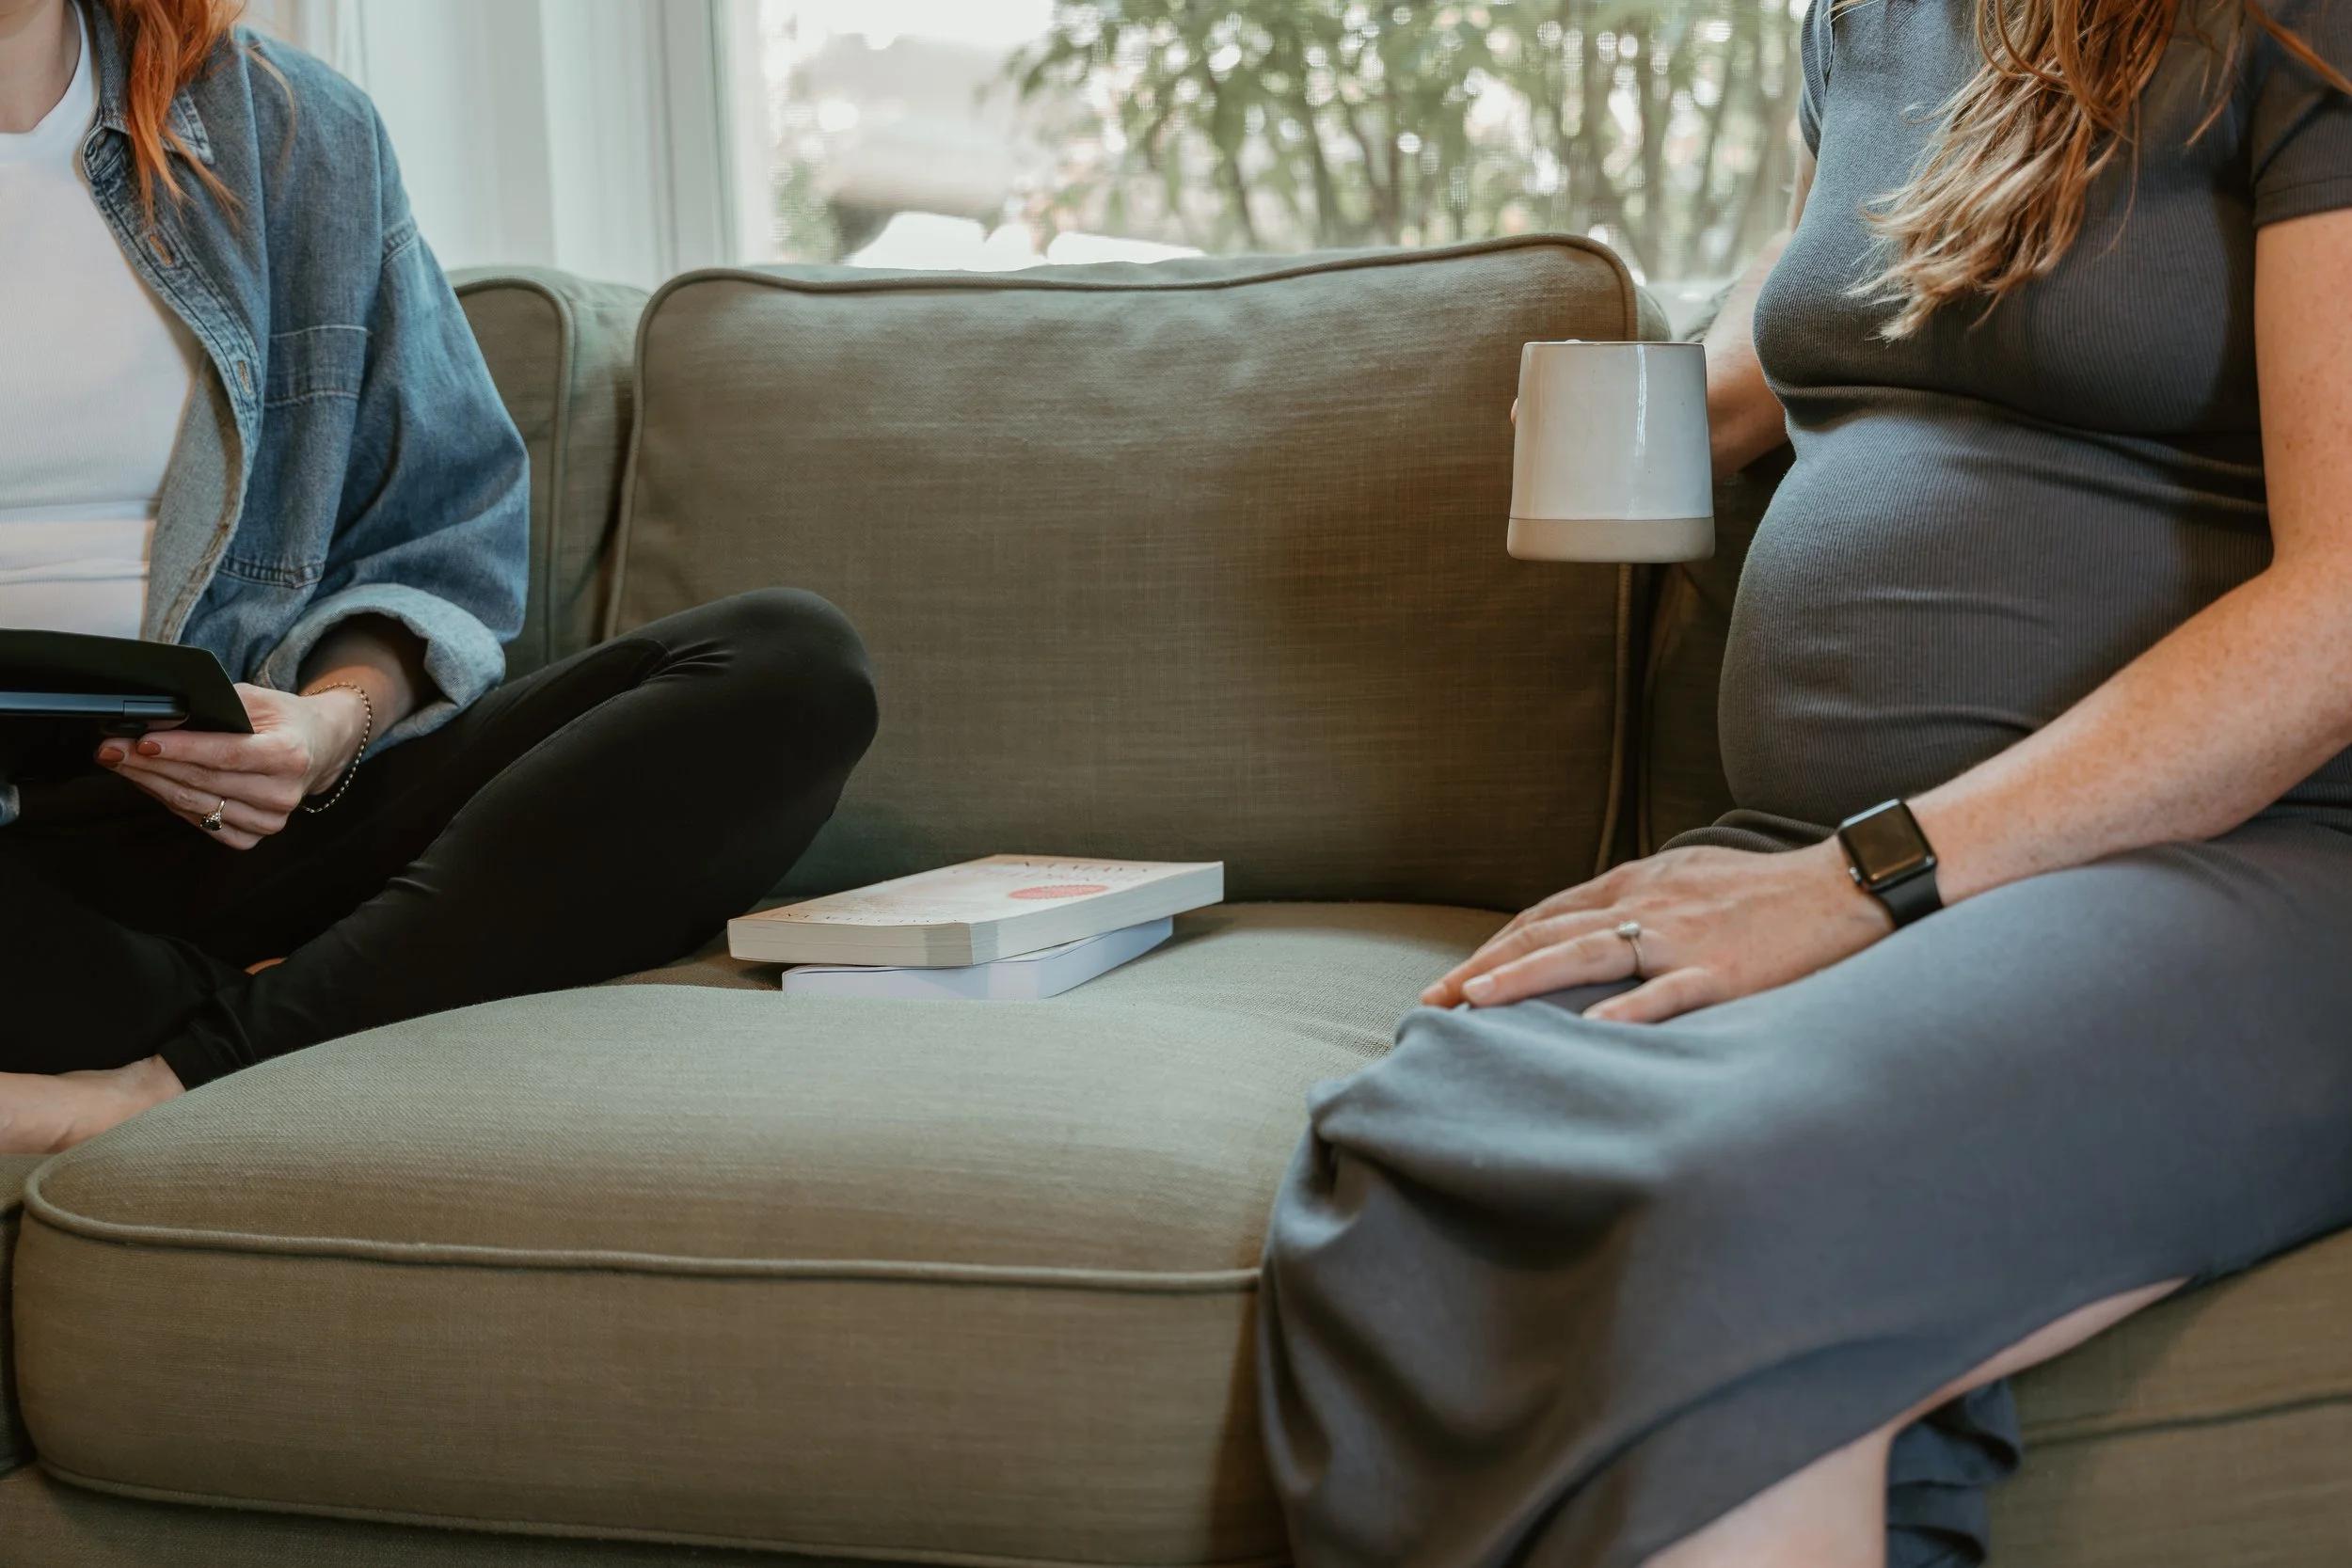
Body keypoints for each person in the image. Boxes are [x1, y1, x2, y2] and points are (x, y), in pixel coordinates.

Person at [1257, 0, 2352, 1560]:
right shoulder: (1871, 18)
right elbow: (1831, 311)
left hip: (2237, 855)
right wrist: (1637, 411)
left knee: (1717, 1216)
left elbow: (2343, 612)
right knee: (1436, 1139)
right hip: (1822, 851)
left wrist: (1860, 877)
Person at [0, 0, 878, 1154]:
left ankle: (175, 1066)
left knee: (787, 667)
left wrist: (325, 727)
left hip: (262, 812)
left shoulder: (291, 131)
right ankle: (355, 986)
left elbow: (433, 536)